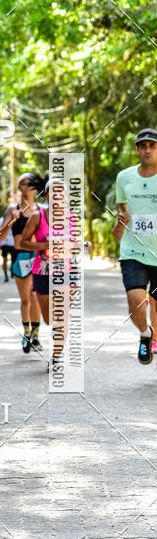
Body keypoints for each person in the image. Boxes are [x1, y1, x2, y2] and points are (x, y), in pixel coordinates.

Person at [19, 179, 75, 370]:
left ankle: (57, 356)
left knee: (61, 315)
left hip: (66, 271)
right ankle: (52, 331)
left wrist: (83, 246)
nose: (57, 194)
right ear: (47, 195)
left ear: (66, 195)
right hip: (42, 272)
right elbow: (23, 243)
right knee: (49, 318)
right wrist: (45, 246)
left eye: (61, 191)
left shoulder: (72, 218)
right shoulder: (38, 216)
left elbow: (74, 244)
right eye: (53, 191)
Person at [113, 128, 157, 364]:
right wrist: (120, 223)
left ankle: (154, 340)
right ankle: (144, 334)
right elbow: (121, 209)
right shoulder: (124, 177)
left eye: (152, 146)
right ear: (138, 150)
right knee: (135, 299)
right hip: (133, 251)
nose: (148, 150)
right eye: (144, 146)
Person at [0, 173, 44, 353]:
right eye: (23, 183)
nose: (27, 186)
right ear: (19, 188)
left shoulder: (42, 210)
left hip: (39, 256)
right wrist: (10, 221)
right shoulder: (12, 209)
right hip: (21, 256)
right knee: (26, 299)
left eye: (30, 183)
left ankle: (36, 335)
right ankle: (26, 335)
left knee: (36, 296)